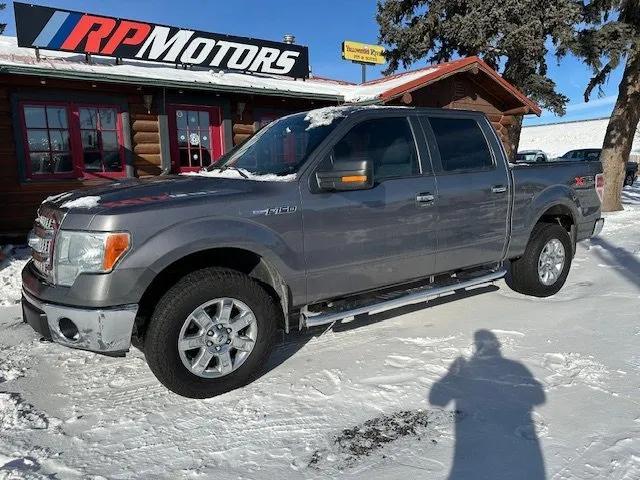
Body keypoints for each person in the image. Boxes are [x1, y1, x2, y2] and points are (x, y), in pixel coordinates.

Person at [429, 330, 546, 479]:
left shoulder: (475, 369)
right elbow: (539, 397)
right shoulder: (515, 367)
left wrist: (451, 375)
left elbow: (436, 399)